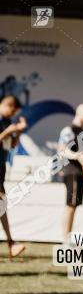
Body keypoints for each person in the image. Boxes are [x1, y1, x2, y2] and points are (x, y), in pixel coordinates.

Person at [58, 103, 83, 240]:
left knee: (73, 206)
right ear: (80, 114)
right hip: (72, 172)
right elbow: (62, 150)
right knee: (70, 206)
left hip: (80, 174)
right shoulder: (69, 130)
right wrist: (78, 156)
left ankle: (67, 237)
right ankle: (66, 239)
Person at [0, 95, 27, 258]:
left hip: (0, 166)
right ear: (8, 106)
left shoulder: (6, 122)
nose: (13, 115)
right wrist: (8, 131)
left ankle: (11, 243)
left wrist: (17, 132)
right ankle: (11, 243)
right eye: (13, 111)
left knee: (2, 205)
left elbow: (10, 145)